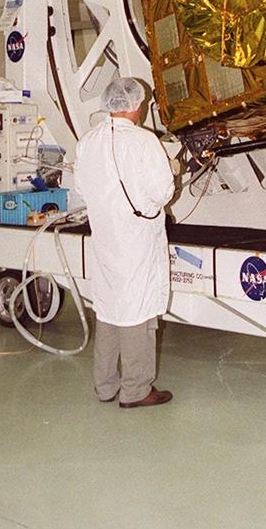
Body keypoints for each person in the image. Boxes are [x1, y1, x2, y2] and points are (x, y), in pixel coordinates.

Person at [74, 77, 175, 408]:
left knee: (108, 309)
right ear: (136, 105)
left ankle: (105, 386)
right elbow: (162, 193)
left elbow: (81, 188)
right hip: (136, 239)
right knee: (137, 312)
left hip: (105, 237)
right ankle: (137, 390)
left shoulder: (88, 142)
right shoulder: (145, 143)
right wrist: (174, 169)